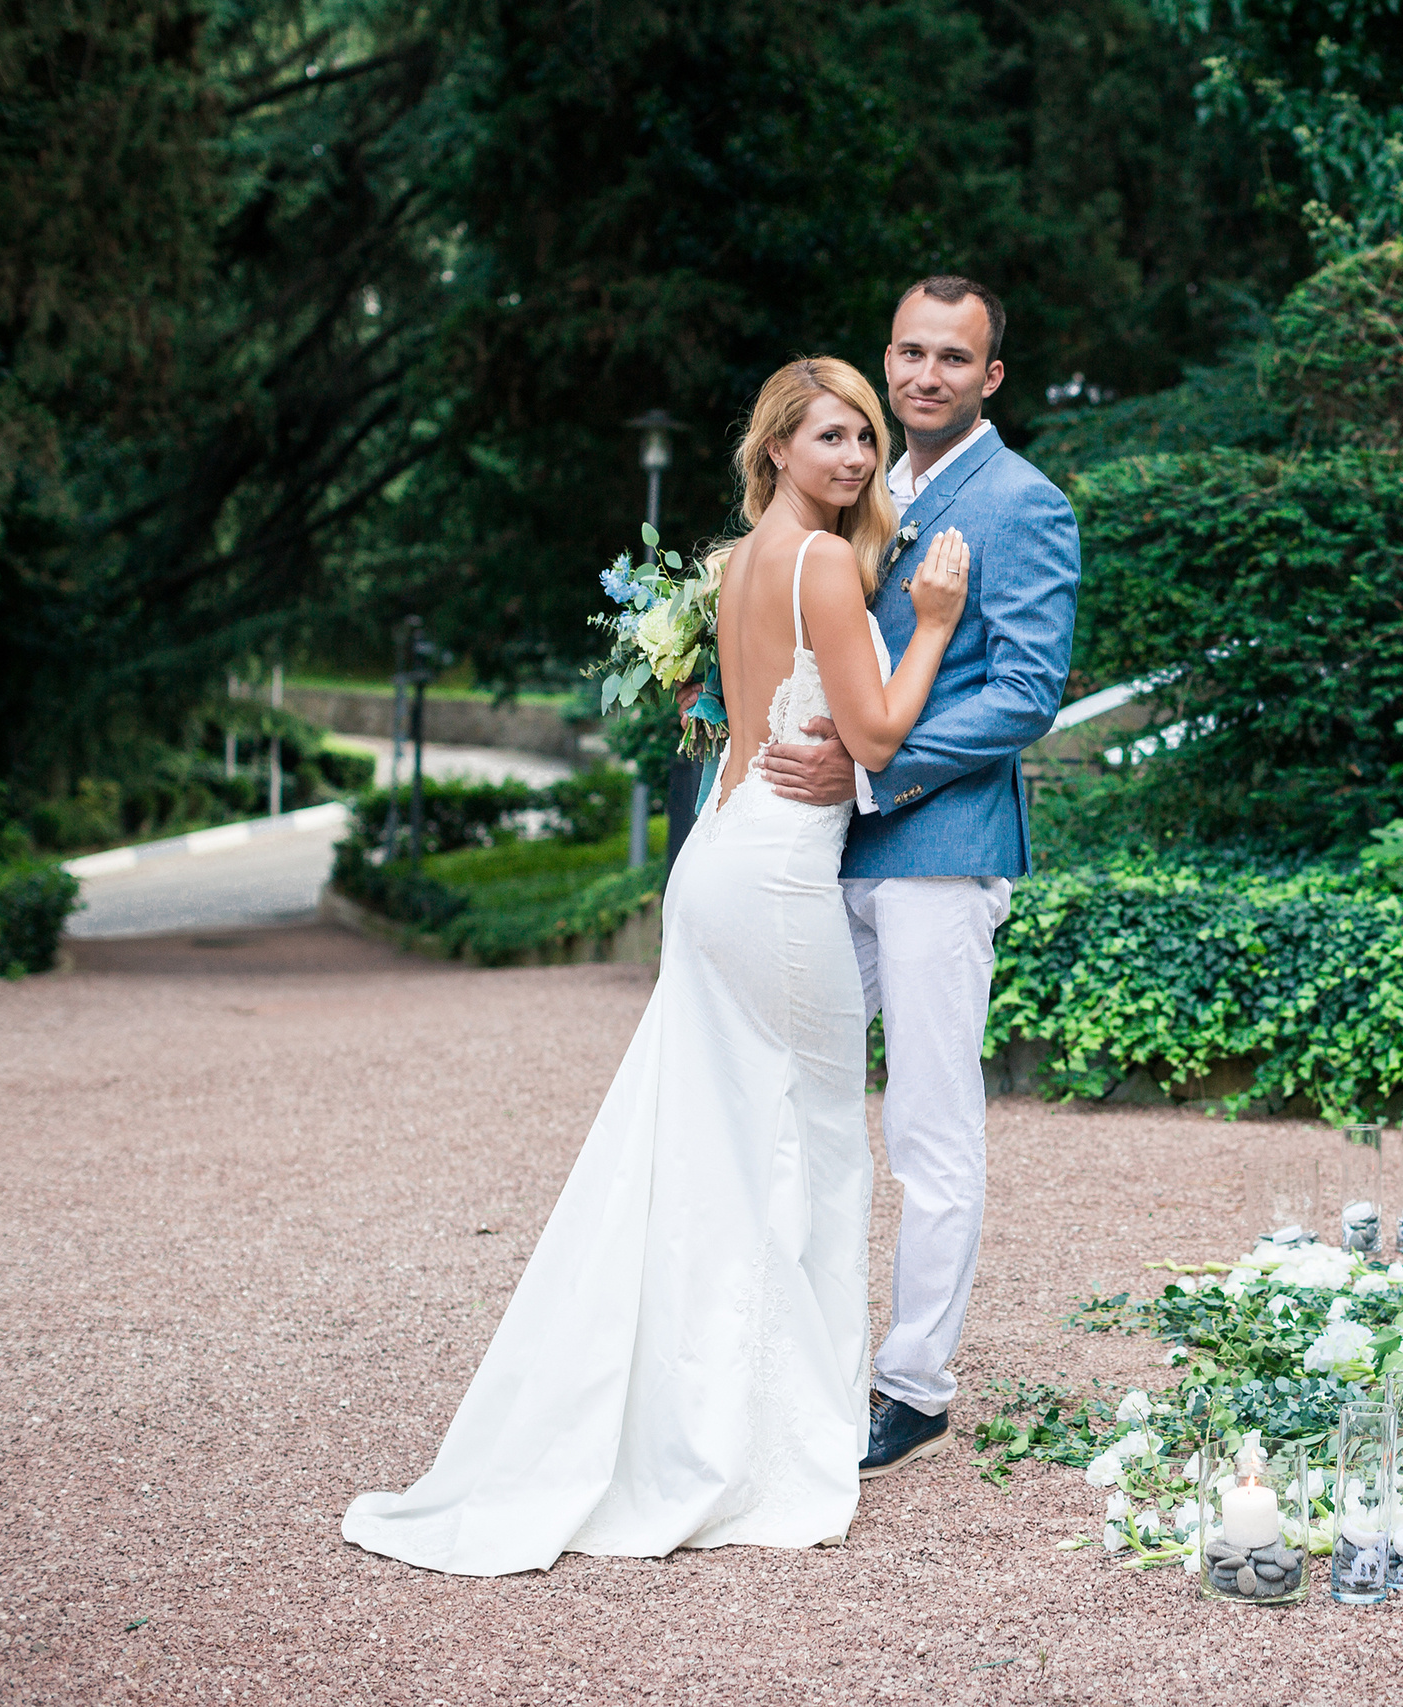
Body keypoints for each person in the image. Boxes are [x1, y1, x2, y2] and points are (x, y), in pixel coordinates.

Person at [340, 358, 971, 1575]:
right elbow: (878, 733)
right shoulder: (821, 563)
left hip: (718, 858)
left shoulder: (737, 564)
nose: (854, 456)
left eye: (865, 437)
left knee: (713, 1143)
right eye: (830, 437)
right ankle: (777, 1428)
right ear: (776, 448)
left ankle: (700, 1404)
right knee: (816, 1143)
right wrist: (934, 622)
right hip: (778, 877)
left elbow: (742, 717)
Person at [756, 276, 1081, 1477]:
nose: (924, 375)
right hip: (824, 848)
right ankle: (795, 1345)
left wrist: (867, 767)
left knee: (929, 1129)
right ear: (884, 359)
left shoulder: (1023, 503)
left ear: (989, 376)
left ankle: (914, 1384)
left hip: (940, 853)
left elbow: (1025, 694)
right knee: (786, 1090)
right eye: (908, 352)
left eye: (952, 357)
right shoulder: (857, 484)